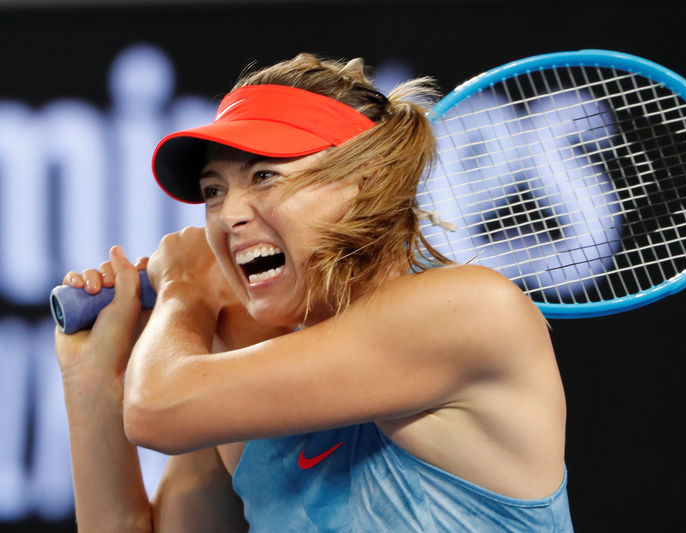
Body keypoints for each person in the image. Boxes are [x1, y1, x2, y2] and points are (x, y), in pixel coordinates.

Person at [55, 53, 573, 532]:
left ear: (368, 182)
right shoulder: (223, 372)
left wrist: (183, 291)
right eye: (214, 191)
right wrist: (92, 378)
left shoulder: (472, 311)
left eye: (264, 176)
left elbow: (156, 410)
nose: (229, 215)